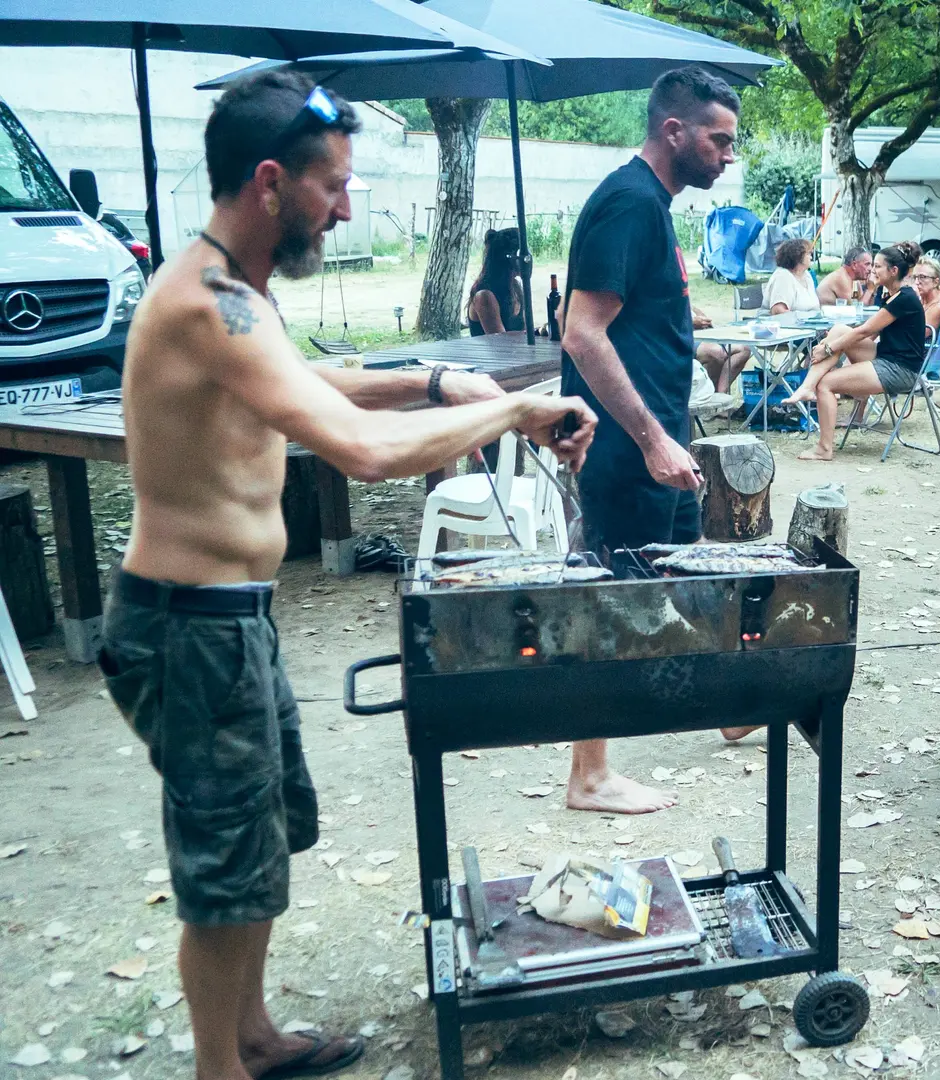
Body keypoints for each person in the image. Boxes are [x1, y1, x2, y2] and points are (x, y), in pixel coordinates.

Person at [104, 71, 595, 1080]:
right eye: (335, 186)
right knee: (225, 866)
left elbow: (310, 379)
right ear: (272, 182)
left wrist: (438, 379)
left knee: (262, 841)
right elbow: (358, 451)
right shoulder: (204, 304)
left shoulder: (235, 295)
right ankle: (218, 1069)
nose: (349, 206)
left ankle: (252, 1033)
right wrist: (509, 409)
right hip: (187, 627)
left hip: (225, 619)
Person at [559, 66, 746, 814]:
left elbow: (633, 316)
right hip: (630, 451)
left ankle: (728, 703)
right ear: (675, 130)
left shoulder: (652, 205)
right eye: (718, 139)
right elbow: (582, 333)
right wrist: (650, 441)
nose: (728, 155)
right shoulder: (629, 203)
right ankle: (589, 775)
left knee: (681, 574)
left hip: (660, 443)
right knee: (613, 601)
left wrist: (686, 341)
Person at [788, 244, 927, 461]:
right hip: (886, 356)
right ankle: (806, 387)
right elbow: (868, 334)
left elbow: (866, 330)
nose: (873, 270)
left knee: (826, 383)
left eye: (878, 266)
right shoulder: (888, 293)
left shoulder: (905, 298)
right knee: (841, 329)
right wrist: (840, 345)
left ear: (893, 271)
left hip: (900, 370)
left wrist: (828, 348)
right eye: (872, 265)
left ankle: (824, 448)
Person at [466, 227, 526, 336]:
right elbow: (500, 341)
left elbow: (525, 332)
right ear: (513, 258)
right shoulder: (484, 296)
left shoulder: (515, 287)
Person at [693, 304, 751, 396]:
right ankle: (710, 395)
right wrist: (691, 321)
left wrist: (701, 317)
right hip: (674, 338)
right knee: (716, 352)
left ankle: (721, 395)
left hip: (698, 333)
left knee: (743, 349)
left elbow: (689, 305)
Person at [766, 237, 820, 315]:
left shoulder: (806, 275)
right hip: (789, 324)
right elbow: (778, 310)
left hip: (811, 323)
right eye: (808, 254)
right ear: (797, 256)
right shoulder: (783, 276)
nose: (811, 257)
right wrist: (802, 319)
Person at [909, 256, 940, 338]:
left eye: (922, 277)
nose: (916, 282)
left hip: (923, 349)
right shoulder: (921, 301)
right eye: (915, 277)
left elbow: (918, 336)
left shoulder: (938, 306)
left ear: (936, 282)